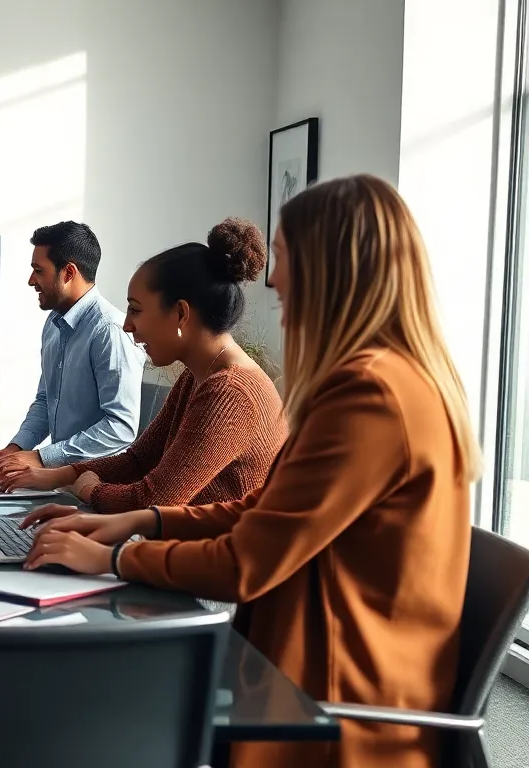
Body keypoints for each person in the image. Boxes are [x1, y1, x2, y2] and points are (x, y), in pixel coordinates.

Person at [23, 175, 477, 768]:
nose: (278, 296)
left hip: (329, 710)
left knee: (82, 710)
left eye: (288, 279)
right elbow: (261, 514)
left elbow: (246, 561)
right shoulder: (391, 383)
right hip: (300, 667)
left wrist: (113, 557)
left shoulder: (370, 397)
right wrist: (138, 523)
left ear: (336, 276)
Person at [0, 218, 286, 512]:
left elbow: (154, 500)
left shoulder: (231, 393)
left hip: (214, 555)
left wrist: (88, 490)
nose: (126, 325)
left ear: (180, 314)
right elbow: (138, 460)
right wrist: (52, 477)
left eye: (135, 310)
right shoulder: (198, 376)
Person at [0, 221, 145, 478]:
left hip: (98, 489)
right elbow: (46, 400)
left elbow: (121, 427)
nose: (31, 280)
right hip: (57, 482)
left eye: (38, 271)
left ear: (68, 273)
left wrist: (41, 458)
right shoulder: (54, 324)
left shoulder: (110, 330)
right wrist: (14, 450)